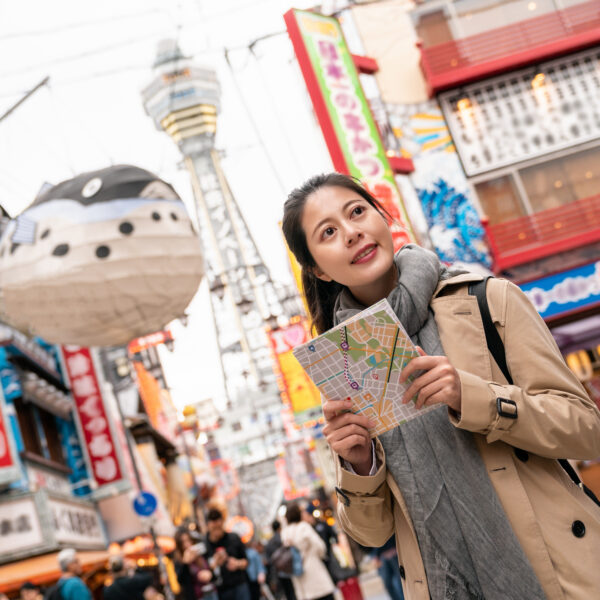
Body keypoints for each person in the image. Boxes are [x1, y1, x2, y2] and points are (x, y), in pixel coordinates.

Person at [282, 172, 600, 600]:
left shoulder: (489, 300)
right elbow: (372, 534)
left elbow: (586, 429)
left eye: (357, 212)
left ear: (383, 215)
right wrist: (359, 466)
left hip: (561, 576)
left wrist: (472, 397)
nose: (352, 232)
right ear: (318, 269)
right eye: (329, 232)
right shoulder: (342, 370)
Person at [281, 503, 335, 600]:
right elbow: (320, 547)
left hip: (299, 575)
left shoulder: (285, 533)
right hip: (314, 570)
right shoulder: (304, 527)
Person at [204, 508, 251, 600]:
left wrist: (237, 563)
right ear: (208, 526)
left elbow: (246, 562)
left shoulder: (233, 538)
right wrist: (215, 564)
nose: (217, 530)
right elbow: (204, 572)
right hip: (220, 590)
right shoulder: (205, 545)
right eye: (214, 527)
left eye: (219, 526)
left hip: (239, 584)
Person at [173, 529, 217, 600]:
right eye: (183, 542)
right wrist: (185, 563)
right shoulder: (179, 561)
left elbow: (213, 570)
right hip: (197, 596)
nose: (187, 544)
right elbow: (181, 581)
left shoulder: (200, 552)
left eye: (188, 540)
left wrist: (210, 573)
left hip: (212, 591)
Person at [264, 520, 296, 600]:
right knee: (295, 591)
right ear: (280, 527)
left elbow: (269, 562)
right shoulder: (284, 538)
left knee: (287, 593)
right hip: (291, 569)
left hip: (279, 572)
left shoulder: (269, 544)